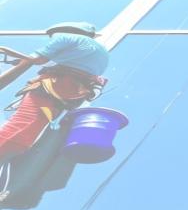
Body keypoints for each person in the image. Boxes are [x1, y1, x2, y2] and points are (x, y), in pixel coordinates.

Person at [0, 22, 108, 162]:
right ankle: (11, 151)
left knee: (23, 120)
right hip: (70, 95)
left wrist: (15, 57)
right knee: (34, 124)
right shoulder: (100, 52)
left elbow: (38, 59)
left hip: (52, 87)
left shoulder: (65, 37)